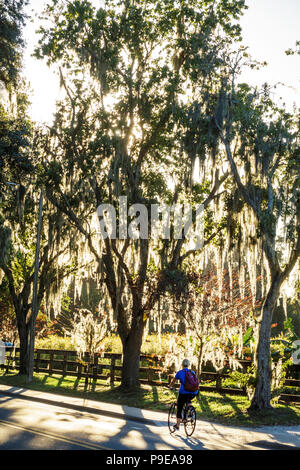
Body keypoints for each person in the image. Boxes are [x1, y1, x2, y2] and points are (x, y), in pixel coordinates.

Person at [168, 359, 198, 432]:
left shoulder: (180, 372)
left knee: (179, 408)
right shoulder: (192, 372)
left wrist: (170, 386)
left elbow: (173, 381)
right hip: (194, 392)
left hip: (183, 393)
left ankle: (177, 426)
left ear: (182, 364)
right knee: (188, 399)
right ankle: (190, 411)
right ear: (188, 365)